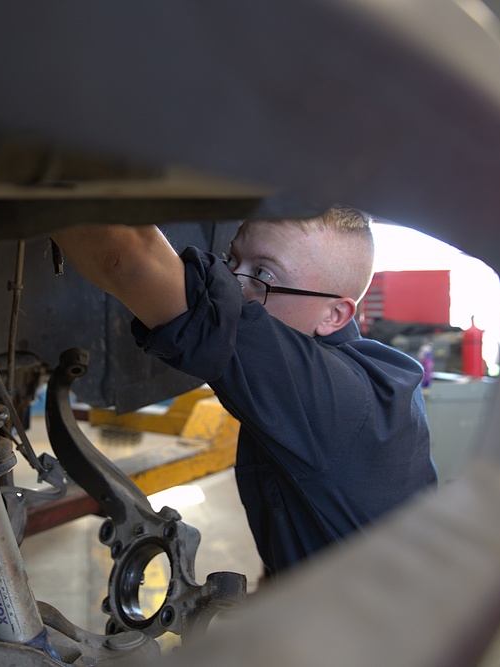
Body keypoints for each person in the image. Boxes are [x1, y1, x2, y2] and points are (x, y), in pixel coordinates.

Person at [51, 205, 437, 576]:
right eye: (233, 260)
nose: (235, 284)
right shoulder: (354, 376)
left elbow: (128, 261)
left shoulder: (339, 403)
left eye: (264, 275)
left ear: (333, 315)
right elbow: (306, 511)